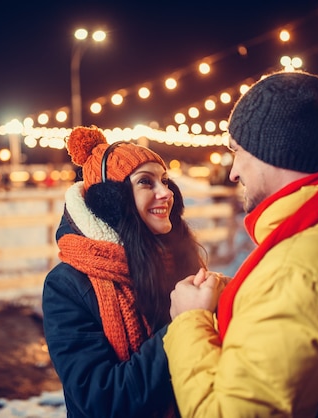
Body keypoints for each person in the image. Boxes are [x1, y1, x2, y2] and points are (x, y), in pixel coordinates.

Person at [164, 71, 318, 417]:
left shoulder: (297, 271)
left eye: (237, 152)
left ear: (273, 149)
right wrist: (246, 294)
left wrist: (190, 320)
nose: (233, 172)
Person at [42, 126, 208, 417]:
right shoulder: (66, 285)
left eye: (166, 181)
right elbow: (101, 399)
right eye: (147, 182)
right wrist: (184, 324)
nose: (165, 193)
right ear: (112, 201)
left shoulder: (181, 259)